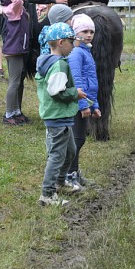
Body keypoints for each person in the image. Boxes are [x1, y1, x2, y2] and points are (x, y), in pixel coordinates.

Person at [36, 22, 88, 207]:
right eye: (71, 41)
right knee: (57, 156)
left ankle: (60, 182)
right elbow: (56, 91)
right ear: (60, 42)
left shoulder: (50, 60)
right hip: (57, 117)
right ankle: (47, 194)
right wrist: (76, 93)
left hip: (61, 117)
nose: (74, 45)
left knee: (70, 152)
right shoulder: (59, 66)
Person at [66, 13, 101, 187]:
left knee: (80, 139)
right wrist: (82, 105)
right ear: (76, 33)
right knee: (76, 140)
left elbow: (91, 82)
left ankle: (75, 172)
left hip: (86, 103)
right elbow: (77, 81)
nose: (88, 35)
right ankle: (68, 174)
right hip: (78, 104)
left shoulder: (86, 51)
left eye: (91, 31)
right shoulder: (76, 54)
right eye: (84, 31)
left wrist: (95, 105)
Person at [1, 0, 32, 126]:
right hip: (14, 50)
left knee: (17, 81)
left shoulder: (16, 9)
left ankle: (15, 111)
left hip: (18, 49)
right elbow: (18, 1)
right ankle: (8, 114)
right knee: (14, 83)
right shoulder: (14, 8)